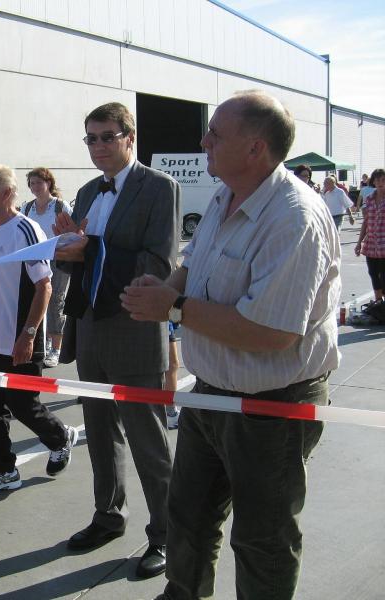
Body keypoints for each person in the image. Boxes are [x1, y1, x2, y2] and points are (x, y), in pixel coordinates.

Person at [122, 90, 340, 600]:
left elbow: (273, 333)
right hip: (211, 395)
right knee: (188, 517)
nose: (204, 142)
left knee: (262, 538)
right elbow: (194, 263)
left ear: (255, 148)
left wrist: (174, 308)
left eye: (216, 134)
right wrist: (167, 290)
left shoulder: (293, 218)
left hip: (273, 407)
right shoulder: (226, 195)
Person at [53, 101, 179, 580]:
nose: (99, 146)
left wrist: (92, 249)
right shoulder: (87, 192)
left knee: (147, 439)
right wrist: (66, 249)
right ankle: (108, 515)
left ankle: (167, 533)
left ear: (130, 137)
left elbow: (160, 264)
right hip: (91, 325)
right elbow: (78, 261)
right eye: (91, 138)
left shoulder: (159, 187)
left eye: (108, 136)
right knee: (100, 431)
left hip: (133, 325)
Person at [0, 165, 77, 496]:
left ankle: (60, 437)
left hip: (17, 338)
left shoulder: (26, 230)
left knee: (22, 404)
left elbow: (44, 286)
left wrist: (28, 334)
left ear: (6, 194)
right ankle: (2, 470)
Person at [20, 167, 71, 368]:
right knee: (37, 301)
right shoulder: (27, 208)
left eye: (38, 182)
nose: (35, 187)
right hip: (35, 261)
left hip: (57, 260)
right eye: (32, 183)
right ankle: (44, 343)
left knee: (56, 302)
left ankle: (56, 349)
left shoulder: (60, 206)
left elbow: (71, 233)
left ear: (48, 183)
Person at [355, 168, 385, 303]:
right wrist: (359, 243)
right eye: (377, 180)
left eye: (383, 180)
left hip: (384, 243)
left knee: (384, 276)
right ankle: (379, 302)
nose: (380, 183)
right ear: (373, 182)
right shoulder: (369, 199)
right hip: (371, 243)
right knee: (373, 273)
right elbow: (366, 222)